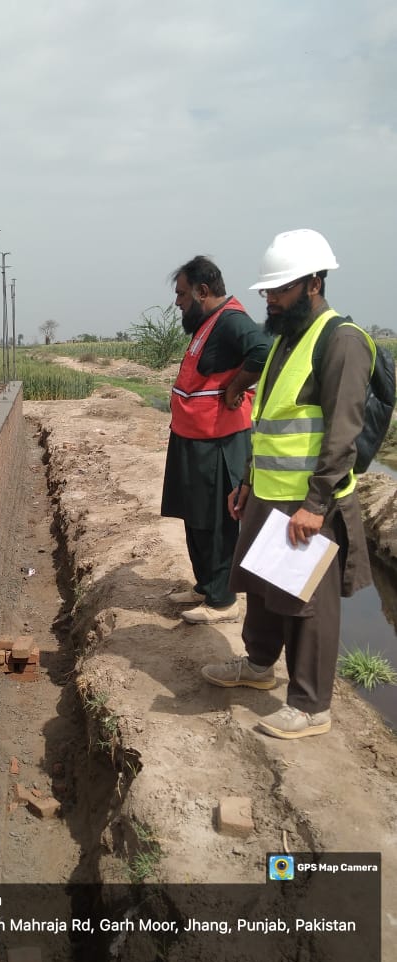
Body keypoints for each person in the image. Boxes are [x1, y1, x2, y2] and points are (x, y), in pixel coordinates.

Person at [202, 229, 375, 739]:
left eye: (281, 290)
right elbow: (270, 423)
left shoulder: (340, 340)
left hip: (309, 502)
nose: (271, 301)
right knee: (261, 587)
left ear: (314, 283)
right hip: (270, 494)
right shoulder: (284, 340)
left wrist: (316, 504)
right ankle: (258, 668)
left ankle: (309, 706)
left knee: (308, 606)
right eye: (268, 292)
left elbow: (343, 433)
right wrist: (249, 482)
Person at [161, 255, 271, 624]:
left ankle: (223, 600)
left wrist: (237, 387)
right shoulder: (207, 323)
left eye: (182, 295)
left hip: (219, 442)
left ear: (202, 291)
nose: (178, 302)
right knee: (195, 517)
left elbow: (262, 350)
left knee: (217, 521)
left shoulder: (231, 321)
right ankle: (205, 585)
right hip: (195, 437)